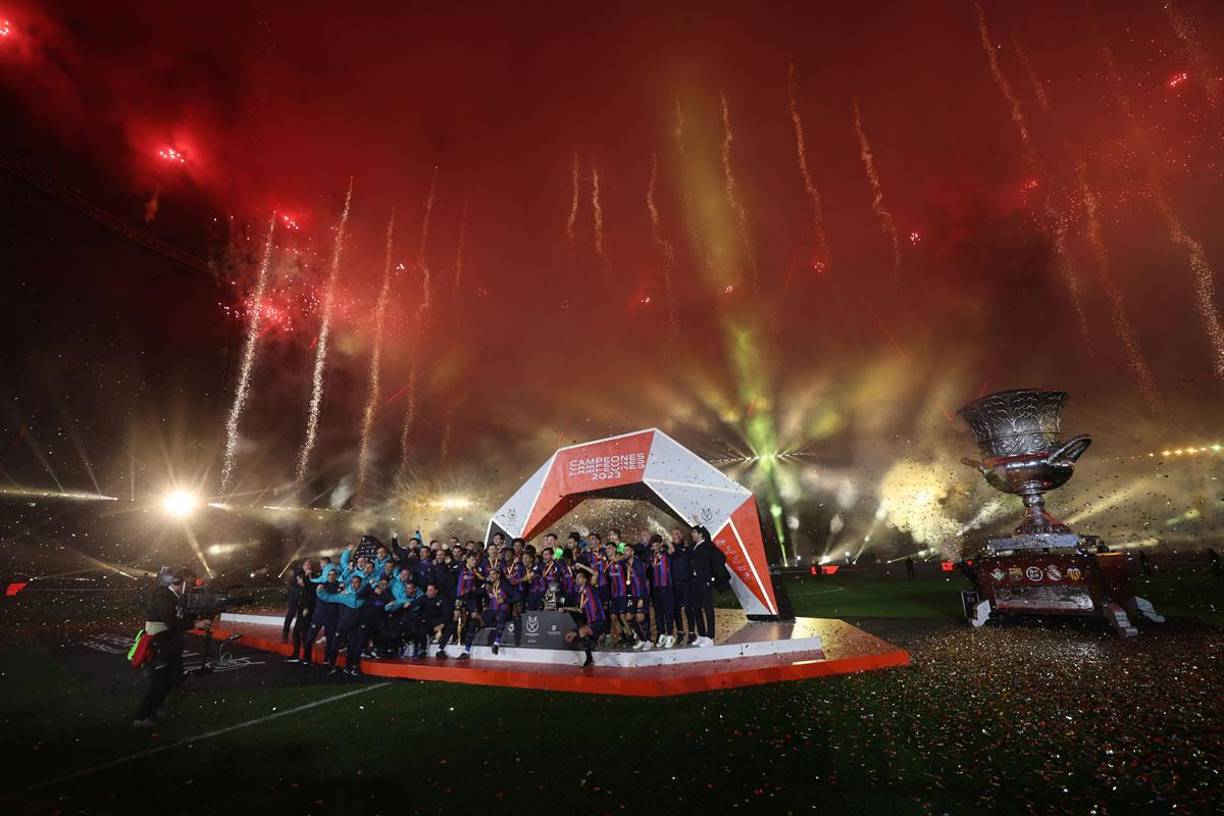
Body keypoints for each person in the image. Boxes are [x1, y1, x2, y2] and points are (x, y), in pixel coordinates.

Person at [134, 573, 209, 726]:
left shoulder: (171, 597)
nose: (190, 588)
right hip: (161, 644)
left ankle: (156, 708)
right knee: (159, 681)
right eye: (188, 584)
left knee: (174, 677)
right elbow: (171, 622)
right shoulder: (164, 597)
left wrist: (195, 620)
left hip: (169, 644)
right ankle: (143, 716)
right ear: (178, 583)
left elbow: (178, 618)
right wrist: (195, 625)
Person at [563, 570, 609, 667]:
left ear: (584, 579)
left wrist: (581, 566)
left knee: (582, 632)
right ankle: (594, 640)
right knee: (571, 636)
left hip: (599, 620)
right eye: (576, 578)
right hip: (591, 622)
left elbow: (596, 573)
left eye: (580, 577)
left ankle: (590, 657)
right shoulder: (580, 595)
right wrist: (565, 608)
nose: (577, 579)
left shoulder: (590, 587)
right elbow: (579, 609)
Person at [301, 570, 342, 667]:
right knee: (309, 639)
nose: (331, 576)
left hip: (332, 618)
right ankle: (307, 659)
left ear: (336, 576)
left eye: (333, 574)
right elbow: (307, 585)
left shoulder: (340, 586)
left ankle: (327, 660)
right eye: (329, 574)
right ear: (326, 576)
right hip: (318, 617)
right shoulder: (320, 585)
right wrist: (307, 575)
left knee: (331, 641)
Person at [689, 525, 719, 647]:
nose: (692, 534)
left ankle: (710, 637)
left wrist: (700, 523)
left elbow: (708, 536)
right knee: (695, 608)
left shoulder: (707, 545)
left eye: (694, 532)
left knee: (708, 609)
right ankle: (701, 635)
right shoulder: (694, 546)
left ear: (701, 534)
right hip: (695, 581)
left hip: (705, 581)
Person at [286, 562, 317, 663]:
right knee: (297, 633)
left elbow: (311, 598)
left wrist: (307, 608)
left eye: (299, 580)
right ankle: (297, 655)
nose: (298, 581)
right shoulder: (302, 588)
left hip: (306, 614)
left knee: (304, 635)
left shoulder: (310, 586)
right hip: (301, 612)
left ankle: (306, 658)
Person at [669, 528, 696, 645]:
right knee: (676, 610)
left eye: (677, 533)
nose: (674, 535)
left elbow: (678, 553)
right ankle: (680, 633)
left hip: (686, 584)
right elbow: (672, 553)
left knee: (688, 609)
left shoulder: (688, 548)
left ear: (681, 536)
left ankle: (691, 633)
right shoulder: (668, 550)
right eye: (673, 534)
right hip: (674, 584)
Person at [650, 534, 676, 648]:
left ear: (661, 544)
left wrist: (666, 537)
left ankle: (670, 634)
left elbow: (672, 549)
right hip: (656, 587)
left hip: (667, 586)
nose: (655, 547)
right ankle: (662, 633)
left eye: (657, 545)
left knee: (668, 611)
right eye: (653, 545)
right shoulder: (651, 556)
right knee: (658, 612)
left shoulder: (665, 552)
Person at [282, 559, 311, 642]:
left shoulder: (311, 573)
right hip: (295, 597)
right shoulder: (298, 572)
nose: (309, 566)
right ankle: (285, 632)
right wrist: (305, 575)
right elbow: (300, 581)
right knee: (291, 614)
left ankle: (298, 633)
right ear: (303, 565)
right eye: (307, 564)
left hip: (303, 598)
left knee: (301, 616)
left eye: (310, 564)